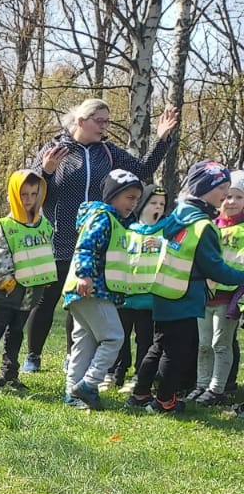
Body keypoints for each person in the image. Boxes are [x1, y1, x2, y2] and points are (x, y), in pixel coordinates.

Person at [24, 99, 180, 373]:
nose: (105, 127)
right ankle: (33, 356)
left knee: (80, 300)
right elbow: (32, 191)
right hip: (59, 238)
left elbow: (142, 171)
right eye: (100, 121)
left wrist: (161, 139)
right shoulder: (54, 148)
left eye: (107, 121)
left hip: (94, 239)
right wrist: (46, 171)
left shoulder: (107, 152)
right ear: (81, 120)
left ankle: (73, 357)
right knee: (45, 300)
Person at [126, 160, 244, 415]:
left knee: (158, 346)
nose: (225, 193)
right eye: (222, 187)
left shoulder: (178, 215)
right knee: (176, 352)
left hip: (163, 291)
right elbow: (216, 270)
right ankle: (164, 401)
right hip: (185, 296)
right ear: (205, 188)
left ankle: (140, 393)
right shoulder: (203, 226)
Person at [60, 169, 138, 410]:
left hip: (83, 291)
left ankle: (72, 393)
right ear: (113, 195)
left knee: (84, 340)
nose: (133, 203)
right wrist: (85, 275)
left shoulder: (113, 220)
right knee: (114, 337)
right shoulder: (103, 217)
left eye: (136, 198)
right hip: (91, 289)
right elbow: (86, 248)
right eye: (129, 198)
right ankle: (88, 384)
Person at [0, 169, 54, 390]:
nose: (28, 199)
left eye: (33, 194)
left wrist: (45, 275)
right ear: (13, 195)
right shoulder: (5, 226)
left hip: (31, 293)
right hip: (6, 293)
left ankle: (10, 373)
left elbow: (47, 251)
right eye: (24, 194)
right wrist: (7, 281)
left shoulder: (44, 225)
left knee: (16, 333)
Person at [192, 171, 244, 406]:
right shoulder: (209, 226)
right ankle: (202, 385)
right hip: (206, 296)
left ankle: (217, 389)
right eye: (227, 197)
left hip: (229, 297)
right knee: (204, 344)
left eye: (238, 197)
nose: (231, 202)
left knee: (220, 344)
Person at [109, 188, 165, 392]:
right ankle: (116, 373)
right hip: (125, 296)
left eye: (161, 204)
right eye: (153, 202)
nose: (157, 207)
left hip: (149, 298)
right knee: (121, 336)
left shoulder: (164, 232)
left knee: (145, 340)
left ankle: (140, 377)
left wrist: (163, 244)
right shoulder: (129, 230)